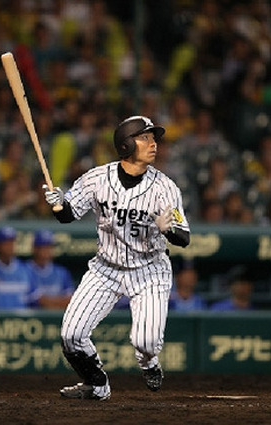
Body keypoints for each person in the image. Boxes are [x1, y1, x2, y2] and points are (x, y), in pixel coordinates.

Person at [42, 115, 190, 400]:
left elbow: (184, 237)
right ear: (125, 145)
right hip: (105, 269)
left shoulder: (165, 188)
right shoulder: (98, 178)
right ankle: (96, 384)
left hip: (150, 269)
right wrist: (58, 204)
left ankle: (149, 363)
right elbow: (67, 215)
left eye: (153, 137)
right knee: (72, 335)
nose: (153, 143)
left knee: (145, 342)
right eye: (144, 137)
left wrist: (168, 229)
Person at [26, 229, 75, 310]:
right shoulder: (25, 270)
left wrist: (50, 302)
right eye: (43, 247)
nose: (46, 250)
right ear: (35, 249)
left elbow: (71, 300)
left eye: (49, 247)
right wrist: (59, 302)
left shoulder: (61, 272)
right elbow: (38, 301)